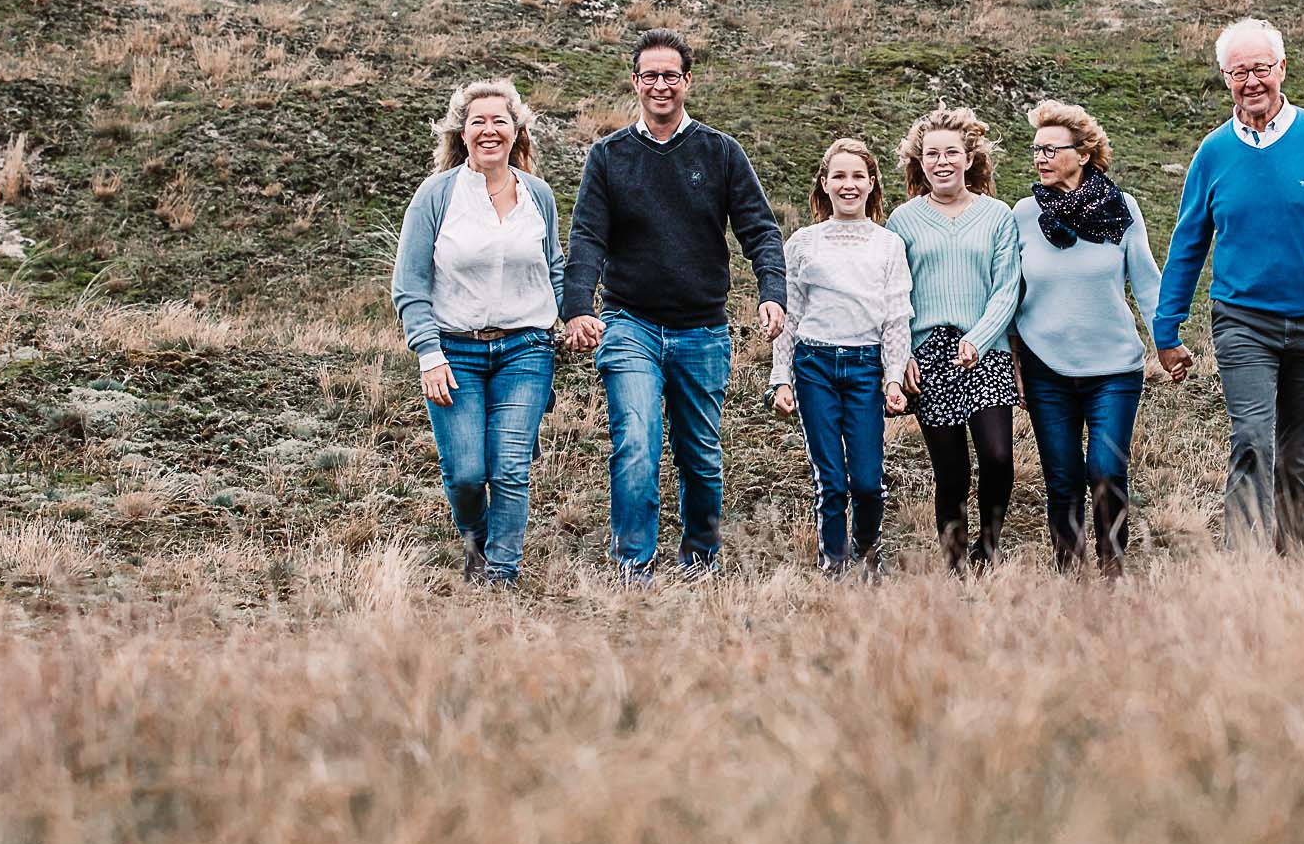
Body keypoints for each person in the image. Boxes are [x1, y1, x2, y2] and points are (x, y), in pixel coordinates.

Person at [560, 29, 786, 584]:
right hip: (629, 321)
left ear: (687, 81)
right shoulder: (608, 156)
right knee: (636, 444)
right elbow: (587, 237)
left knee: (700, 456)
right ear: (635, 83)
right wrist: (577, 307)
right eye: (650, 75)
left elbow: (759, 229)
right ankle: (633, 565)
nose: (661, 84)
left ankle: (699, 561)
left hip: (701, 330)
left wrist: (772, 292)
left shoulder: (721, 152)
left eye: (671, 75)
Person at [1153, 17, 1304, 556]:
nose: (1251, 81)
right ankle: (1243, 573)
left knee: (1300, 457)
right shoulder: (1213, 152)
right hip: (1244, 322)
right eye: (1239, 72)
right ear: (1224, 78)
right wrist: (1167, 329)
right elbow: (1189, 242)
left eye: (1261, 68)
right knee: (1252, 441)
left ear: (1282, 68)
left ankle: (1293, 572)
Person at [391, 78, 566, 586]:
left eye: (500, 121)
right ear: (461, 133)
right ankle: (476, 542)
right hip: (454, 352)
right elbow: (410, 283)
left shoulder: (539, 195)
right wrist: (428, 353)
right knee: (467, 473)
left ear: (517, 131)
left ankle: (500, 577)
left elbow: (554, 265)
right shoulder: (437, 195)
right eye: (478, 121)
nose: (490, 130)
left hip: (526, 350)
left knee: (510, 469)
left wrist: (563, 316)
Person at [1011, 99, 1161, 578]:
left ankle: (1113, 566)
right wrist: (1009, 361)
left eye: (1052, 149)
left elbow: (1147, 281)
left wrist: (1168, 341)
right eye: (1036, 149)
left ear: (1084, 153)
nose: (1041, 158)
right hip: (1044, 369)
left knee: (1105, 470)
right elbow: (1006, 293)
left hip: (1114, 368)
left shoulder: (1122, 209)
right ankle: (1071, 575)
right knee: (1062, 479)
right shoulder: (1021, 215)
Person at [768, 138, 913, 577]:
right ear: (825, 184)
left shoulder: (888, 245)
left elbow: (895, 318)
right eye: (839, 176)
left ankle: (868, 553)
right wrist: (782, 378)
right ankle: (834, 563)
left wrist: (892, 379)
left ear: (871, 184)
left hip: (867, 367)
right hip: (815, 366)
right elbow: (789, 318)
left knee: (867, 481)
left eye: (857, 176)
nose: (848, 185)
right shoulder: (803, 243)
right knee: (830, 480)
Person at [887, 106, 1021, 573]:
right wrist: (901, 355)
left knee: (998, 457)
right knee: (951, 470)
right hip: (927, 355)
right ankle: (956, 562)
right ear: (918, 162)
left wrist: (980, 339)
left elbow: (1008, 288)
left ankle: (989, 545)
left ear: (969, 158)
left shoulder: (997, 216)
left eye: (951, 152)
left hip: (984, 351)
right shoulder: (902, 222)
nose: (941, 162)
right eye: (931, 154)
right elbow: (894, 295)